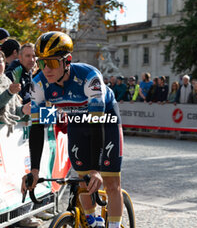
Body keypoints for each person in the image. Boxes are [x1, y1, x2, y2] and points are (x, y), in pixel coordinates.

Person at [22, 31, 123, 228]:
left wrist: (96, 169)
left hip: (104, 120)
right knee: (83, 181)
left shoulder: (89, 77)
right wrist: (34, 170)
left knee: (110, 182)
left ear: (67, 61)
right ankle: (94, 220)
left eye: (51, 63)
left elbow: (96, 126)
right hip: (75, 118)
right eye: (42, 63)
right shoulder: (39, 83)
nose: (46, 69)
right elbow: (37, 126)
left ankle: (114, 225)